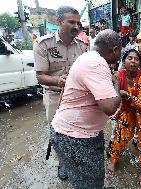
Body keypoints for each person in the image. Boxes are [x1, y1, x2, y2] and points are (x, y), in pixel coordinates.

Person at [50, 29, 122, 188]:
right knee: (90, 184)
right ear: (115, 49)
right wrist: (117, 85)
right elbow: (109, 107)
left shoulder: (89, 57)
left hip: (80, 133)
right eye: (121, 50)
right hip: (75, 137)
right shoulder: (97, 63)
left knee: (85, 180)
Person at [33, 6, 88, 180]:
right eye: (72, 22)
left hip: (77, 96)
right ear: (59, 22)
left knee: (78, 130)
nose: (76, 26)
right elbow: (40, 76)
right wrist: (58, 80)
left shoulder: (83, 46)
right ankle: (63, 163)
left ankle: (77, 158)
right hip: (54, 95)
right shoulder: (43, 44)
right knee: (58, 134)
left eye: (78, 23)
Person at [107, 49, 141, 185]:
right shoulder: (118, 75)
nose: (133, 61)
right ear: (124, 61)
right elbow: (110, 94)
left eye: (136, 59)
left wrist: (127, 95)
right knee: (121, 135)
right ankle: (114, 159)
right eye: (129, 58)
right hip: (129, 109)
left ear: (140, 63)